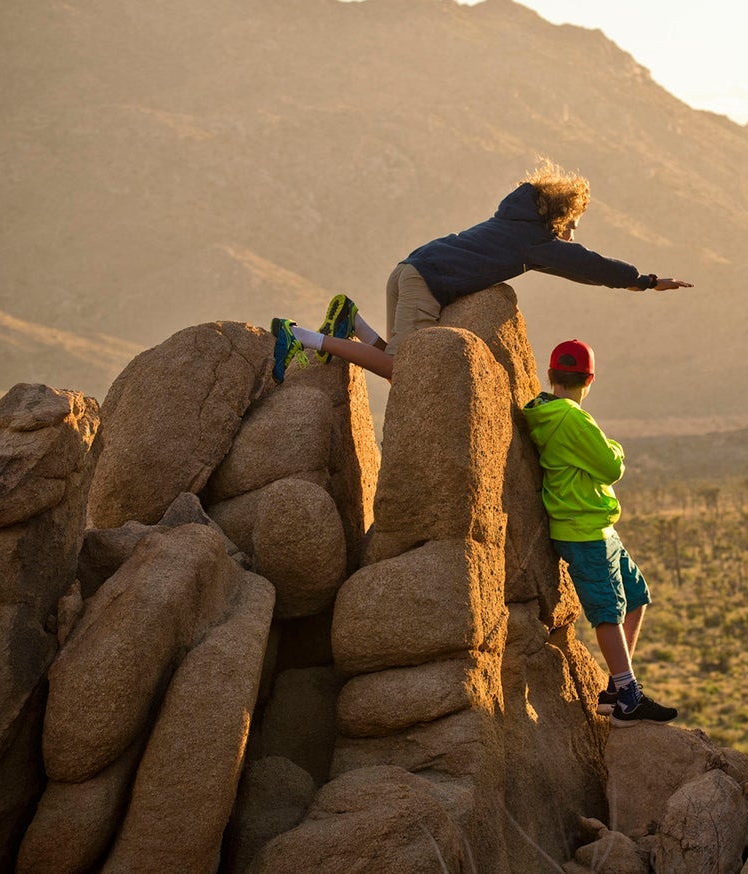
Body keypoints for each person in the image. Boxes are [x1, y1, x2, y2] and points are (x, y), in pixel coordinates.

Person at [270, 161, 692, 382]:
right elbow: (589, 265)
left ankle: (350, 319)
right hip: (426, 281)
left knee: (403, 357)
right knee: (402, 369)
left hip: (411, 267)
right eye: (572, 227)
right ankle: (303, 335)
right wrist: (645, 281)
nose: (571, 236)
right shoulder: (535, 241)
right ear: (559, 216)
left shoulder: (510, 224)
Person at [522, 338, 677, 726]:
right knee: (608, 612)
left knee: (636, 595)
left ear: (551, 375)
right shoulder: (573, 418)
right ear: (589, 379)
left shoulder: (545, 413)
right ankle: (628, 698)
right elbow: (610, 467)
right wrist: (617, 449)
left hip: (597, 525)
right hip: (583, 528)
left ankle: (615, 689)